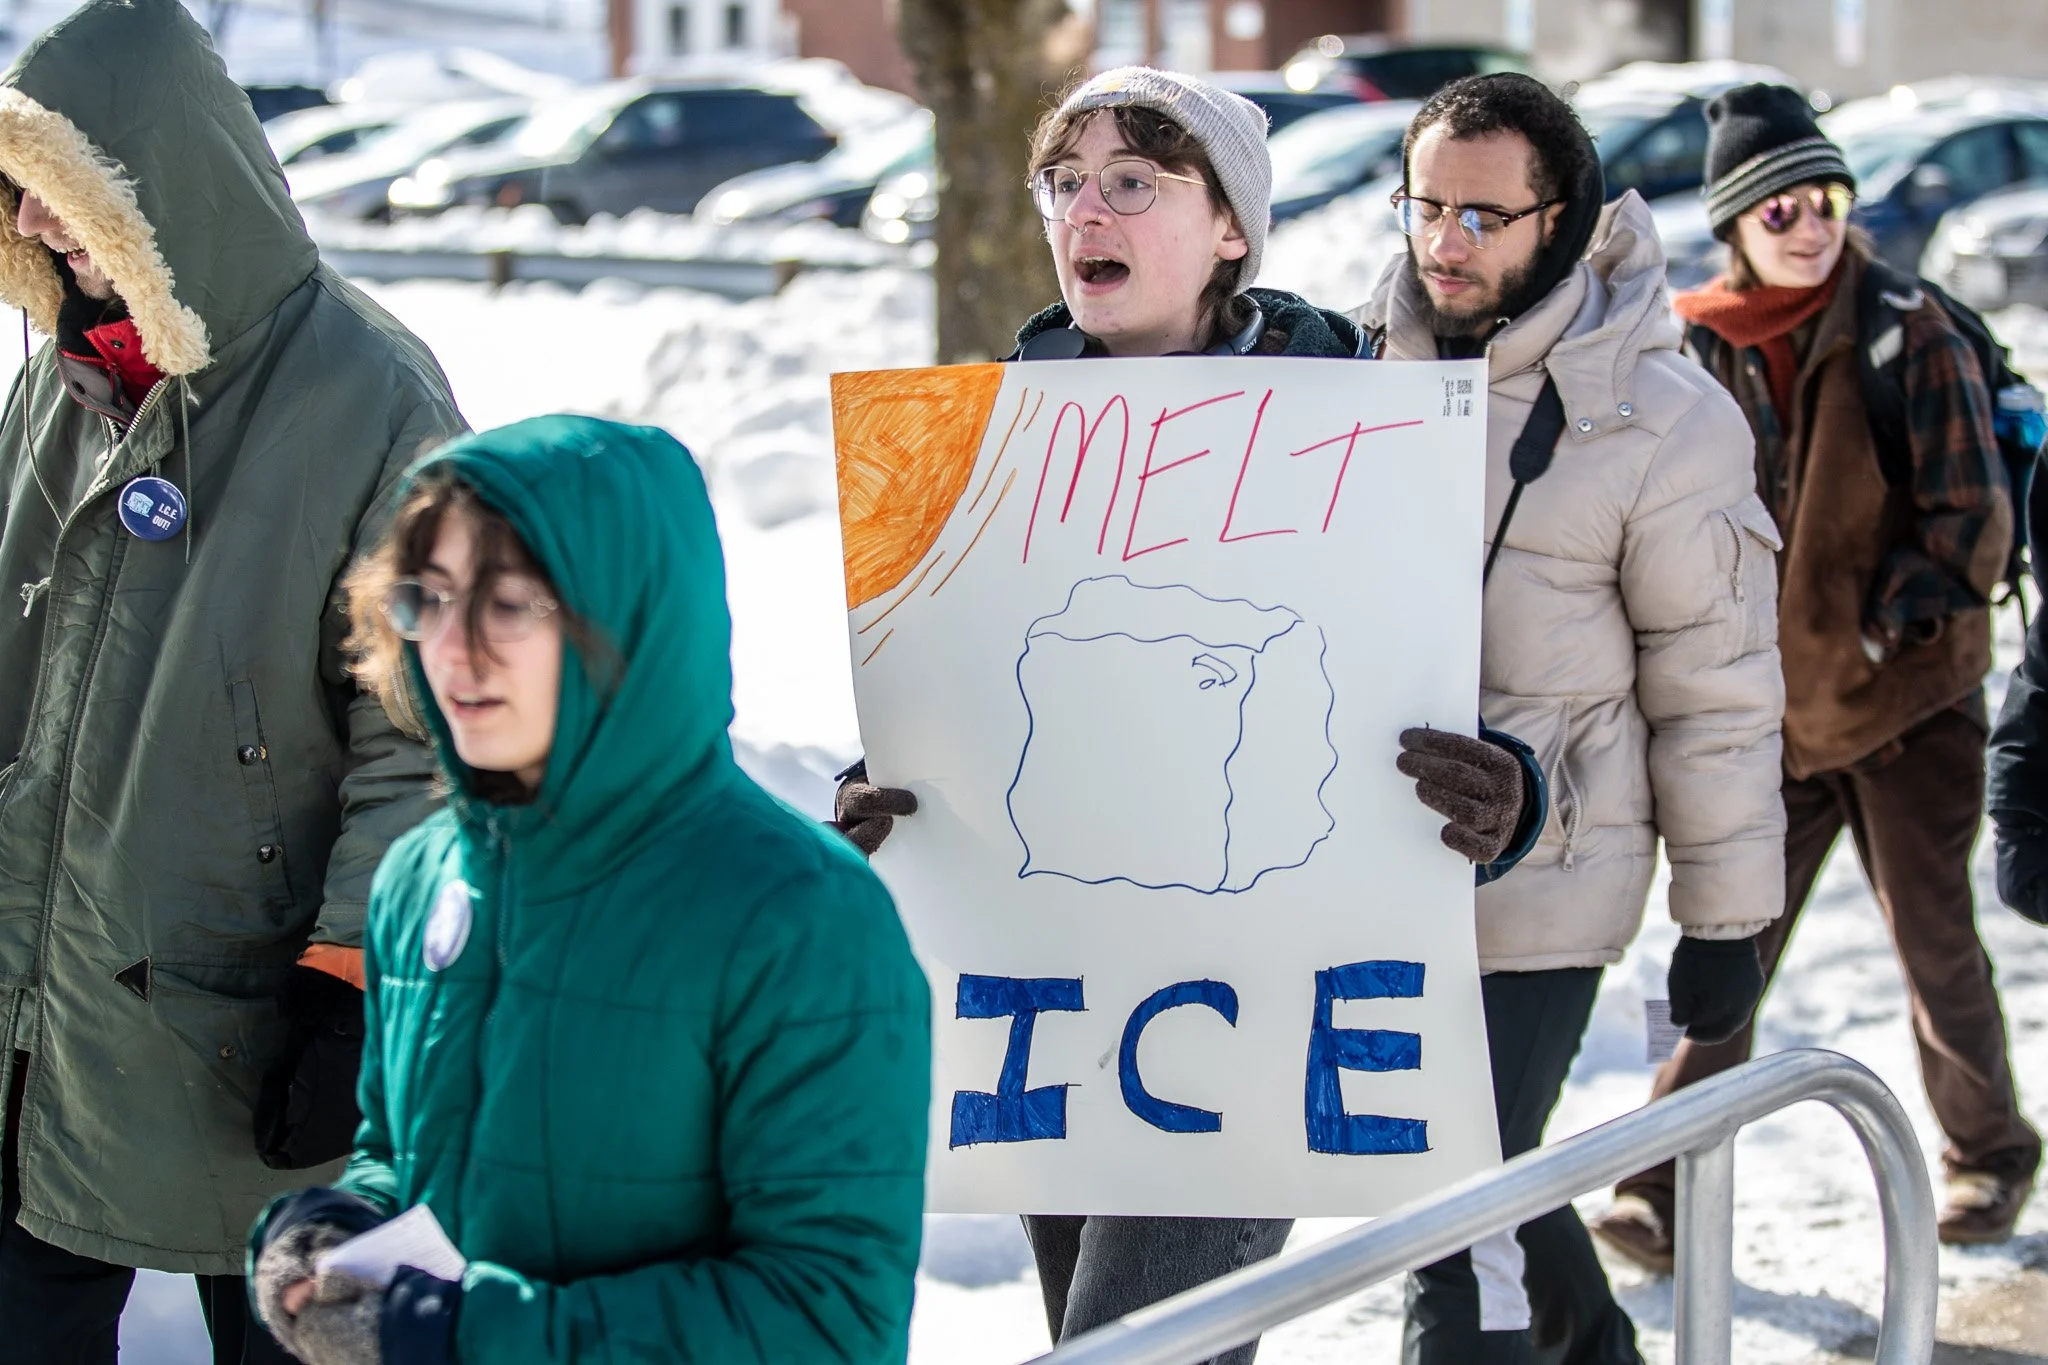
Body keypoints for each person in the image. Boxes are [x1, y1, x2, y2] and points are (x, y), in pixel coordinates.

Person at [834, 67, 1549, 1365]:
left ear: (1230, 228)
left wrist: (1506, 794)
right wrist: (879, 797)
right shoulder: (987, 442)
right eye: (1064, 182)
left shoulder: (1362, 425)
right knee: (1098, 1339)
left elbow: (1440, 694)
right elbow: (962, 699)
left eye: (1132, 181)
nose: (1084, 212)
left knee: (1127, 1349)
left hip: (1260, 999)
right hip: (1051, 991)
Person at [246, 414, 932, 1365]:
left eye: (508, 604)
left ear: (631, 616)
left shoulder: (797, 915)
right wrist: (339, 1221)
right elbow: (407, 1154)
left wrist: (467, 1337)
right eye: (429, 599)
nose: (455, 649)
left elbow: (828, 1319)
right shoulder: (422, 877)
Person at [0, 1, 465, 1359]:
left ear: (158, 178)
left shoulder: (372, 394)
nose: (32, 223)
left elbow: (421, 726)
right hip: (39, 1004)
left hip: (256, 1020)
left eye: (60, 187)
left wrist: (354, 979)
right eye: (19, 190)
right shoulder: (60, 384)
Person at [1348, 73, 1790, 1363]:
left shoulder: (1665, 423)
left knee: (1449, 1213)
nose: (1443, 243)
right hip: (1366, 863)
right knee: (1476, 1172)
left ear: (1565, 221)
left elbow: (1716, 692)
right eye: (1424, 207)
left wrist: (1721, 924)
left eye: (1482, 217)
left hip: (1550, 872)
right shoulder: (1349, 375)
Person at [1594, 83, 2039, 1266]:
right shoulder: (1695, 344)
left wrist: (1878, 634)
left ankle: (1988, 1157)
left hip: (1905, 709)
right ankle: (1656, 1188)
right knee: (1724, 948)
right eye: (1778, 208)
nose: (1807, 225)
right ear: (1734, 226)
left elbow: (1971, 524)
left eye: (1825, 199)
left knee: (1933, 944)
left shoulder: (1907, 329)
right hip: (1770, 719)